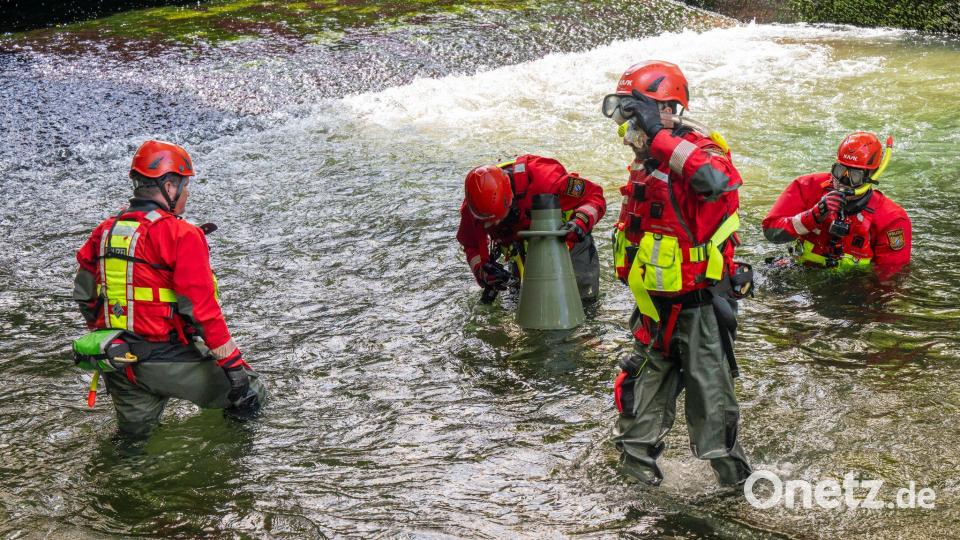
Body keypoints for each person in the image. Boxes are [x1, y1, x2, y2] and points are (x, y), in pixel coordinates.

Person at [603, 61, 752, 487]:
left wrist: (662, 135)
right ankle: (636, 498)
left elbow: (717, 180)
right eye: (626, 113)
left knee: (714, 420)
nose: (630, 124)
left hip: (699, 310)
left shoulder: (699, 152)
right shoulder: (646, 159)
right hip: (652, 312)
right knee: (636, 413)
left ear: (667, 110)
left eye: (639, 113)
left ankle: (737, 495)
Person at [73, 140, 266, 437]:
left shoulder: (105, 231)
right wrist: (233, 365)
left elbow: (85, 295)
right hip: (166, 357)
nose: (187, 194)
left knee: (133, 442)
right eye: (185, 186)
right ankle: (234, 470)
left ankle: (124, 474)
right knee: (252, 391)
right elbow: (201, 310)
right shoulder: (181, 234)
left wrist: (106, 332)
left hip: (117, 358)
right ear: (170, 185)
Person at [762, 131, 911, 280]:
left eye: (855, 176)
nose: (843, 182)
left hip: (854, 288)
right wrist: (812, 216)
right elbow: (771, 233)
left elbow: (890, 279)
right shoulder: (807, 187)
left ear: (872, 176)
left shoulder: (892, 219)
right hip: (801, 273)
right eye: (839, 172)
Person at [456, 154, 606, 302]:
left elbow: (594, 196)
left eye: (498, 219)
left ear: (510, 198)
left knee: (583, 301)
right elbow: (471, 245)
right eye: (488, 223)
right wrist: (483, 272)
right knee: (522, 303)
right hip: (519, 251)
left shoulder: (546, 181)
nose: (494, 225)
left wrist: (580, 222)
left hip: (569, 242)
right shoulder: (474, 206)